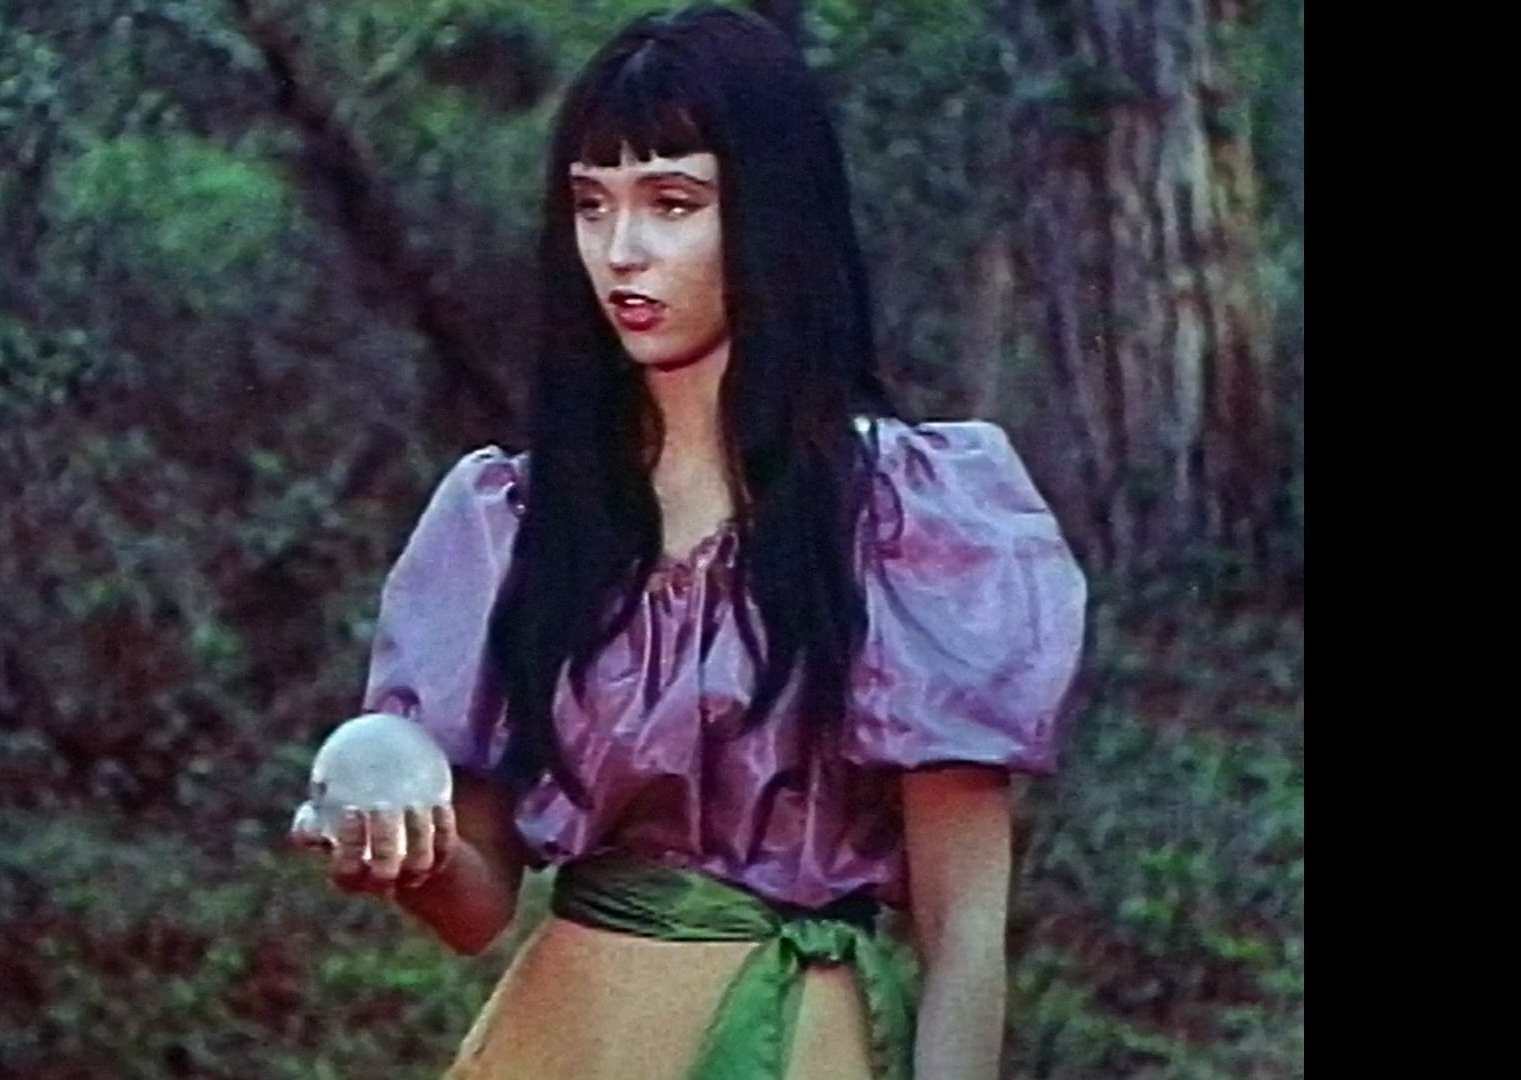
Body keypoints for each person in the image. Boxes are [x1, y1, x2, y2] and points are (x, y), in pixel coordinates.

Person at [293, 6, 1086, 1078]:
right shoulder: (515, 521)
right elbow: (477, 909)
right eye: (591, 205)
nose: (621, 251)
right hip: (565, 1038)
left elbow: (964, 937)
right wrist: (393, 834)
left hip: (793, 1037)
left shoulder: (911, 518)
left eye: (673, 203)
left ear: (771, 216)